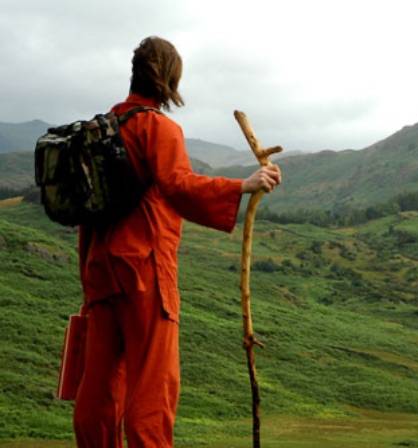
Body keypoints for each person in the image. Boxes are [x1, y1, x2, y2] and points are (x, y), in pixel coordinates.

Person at [73, 36, 281, 448]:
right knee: (153, 384)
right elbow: (178, 185)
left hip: (100, 269)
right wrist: (245, 184)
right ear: (169, 78)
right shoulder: (158, 127)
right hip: (145, 270)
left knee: (98, 382)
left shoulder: (103, 127)